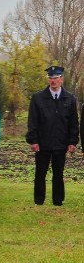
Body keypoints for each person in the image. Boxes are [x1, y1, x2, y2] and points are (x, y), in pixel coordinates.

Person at [26, 66, 79, 206]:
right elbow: (32, 121)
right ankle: (39, 200)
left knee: (58, 173)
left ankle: (58, 200)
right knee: (40, 172)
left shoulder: (70, 98)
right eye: (50, 78)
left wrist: (73, 141)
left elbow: (74, 122)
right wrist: (33, 140)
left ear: (61, 79)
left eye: (55, 78)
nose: (53, 81)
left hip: (61, 142)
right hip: (42, 142)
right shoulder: (38, 98)